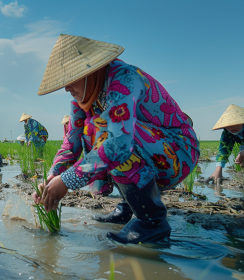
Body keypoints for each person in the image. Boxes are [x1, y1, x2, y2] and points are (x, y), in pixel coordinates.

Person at [32, 35, 199, 244]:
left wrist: (66, 181)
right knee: (94, 131)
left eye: (69, 79)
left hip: (177, 152)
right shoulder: (82, 102)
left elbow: (119, 143)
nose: (66, 88)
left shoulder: (125, 78)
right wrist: (50, 179)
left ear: (89, 71)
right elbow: (70, 145)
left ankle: (152, 222)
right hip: (148, 150)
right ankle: (129, 206)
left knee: (108, 134)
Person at [206, 104, 244, 183]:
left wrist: (242, 153)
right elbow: (223, 150)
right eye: (228, 125)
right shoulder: (227, 132)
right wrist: (218, 171)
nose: (231, 128)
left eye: (234, 123)